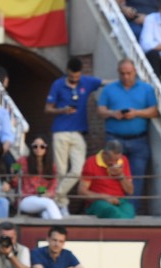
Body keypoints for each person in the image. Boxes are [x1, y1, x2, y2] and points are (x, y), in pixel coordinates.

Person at [97, 59, 158, 212]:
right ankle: (114, 209)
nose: (126, 76)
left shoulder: (146, 89)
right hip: (114, 139)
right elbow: (100, 111)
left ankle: (132, 212)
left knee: (136, 178)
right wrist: (113, 113)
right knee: (112, 174)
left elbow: (155, 111)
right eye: (122, 73)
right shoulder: (109, 89)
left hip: (139, 139)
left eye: (129, 73)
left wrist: (136, 113)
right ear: (118, 73)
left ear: (135, 72)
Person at [44, 58, 104, 215]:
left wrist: (122, 79)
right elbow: (48, 109)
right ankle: (62, 206)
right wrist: (62, 110)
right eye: (72, 76)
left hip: (78, 132)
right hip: (60, 131)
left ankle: (54, 196)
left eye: (77, 77)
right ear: (67, 71)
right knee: (61, 172)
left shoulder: (86, 82)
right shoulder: (57, 84)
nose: (75, 79)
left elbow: (103, 82)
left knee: (77, 170)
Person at [78, 140, 135, 219]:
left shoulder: (124, 160)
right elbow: (82, 191)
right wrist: (105, 197)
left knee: (130, 211)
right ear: (104, 154)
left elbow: (130, 191)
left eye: (117, 160)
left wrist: (121, 176)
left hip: (120, 200)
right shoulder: (91, 162)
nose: (114, 163)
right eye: (111, 160)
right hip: (98, 202)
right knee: (112, 211)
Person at [17, 136, 63, 221]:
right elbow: (13, 173)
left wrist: (48, 193)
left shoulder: (51, 166)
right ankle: (61, 229)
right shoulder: (23, 160)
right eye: (35, 146)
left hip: (43, 199)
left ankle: (55, 232)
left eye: (42, 146)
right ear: (31, 147)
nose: (38, 149)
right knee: (49, 203)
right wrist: (14, 170)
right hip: (26, 198)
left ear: (47, 148)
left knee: (47, 215)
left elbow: (53, 185)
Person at [0, 140, 12, 218]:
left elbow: (5, 181)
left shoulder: (0, 165)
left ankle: (1, 228)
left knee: (3, 202)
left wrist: (6, 185)